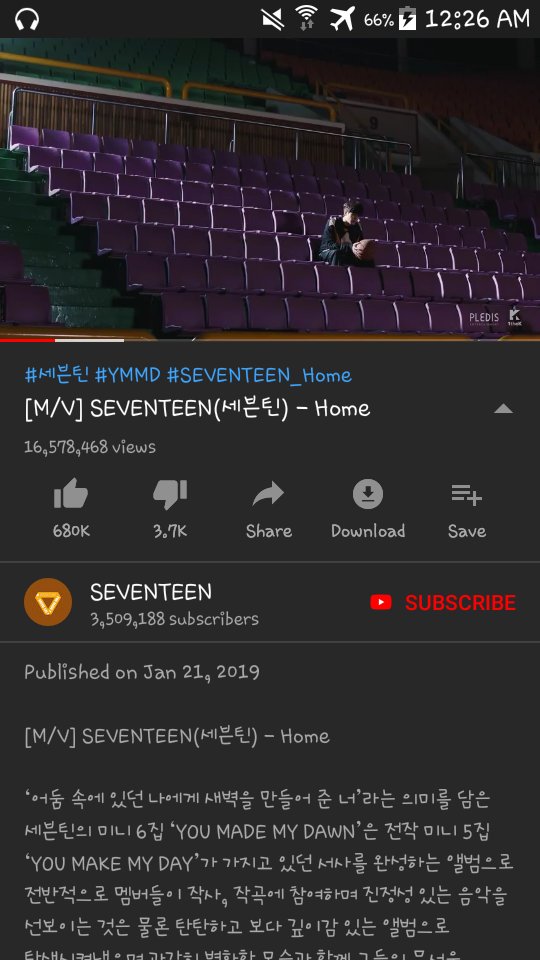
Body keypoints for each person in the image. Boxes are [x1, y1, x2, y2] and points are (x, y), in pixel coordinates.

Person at [318, 199, 376, 268]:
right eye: (353, 214)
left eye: (358, 215)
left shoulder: (357, 226)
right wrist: (350, 247)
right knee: (337, 254)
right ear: (346, 213)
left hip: (346, 254)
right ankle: (336, 275)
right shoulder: (333, 222)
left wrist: (363, 250)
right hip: (328, 252)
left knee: (368, 260)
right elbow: (329, 244)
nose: (356, 218)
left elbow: (360, 245)